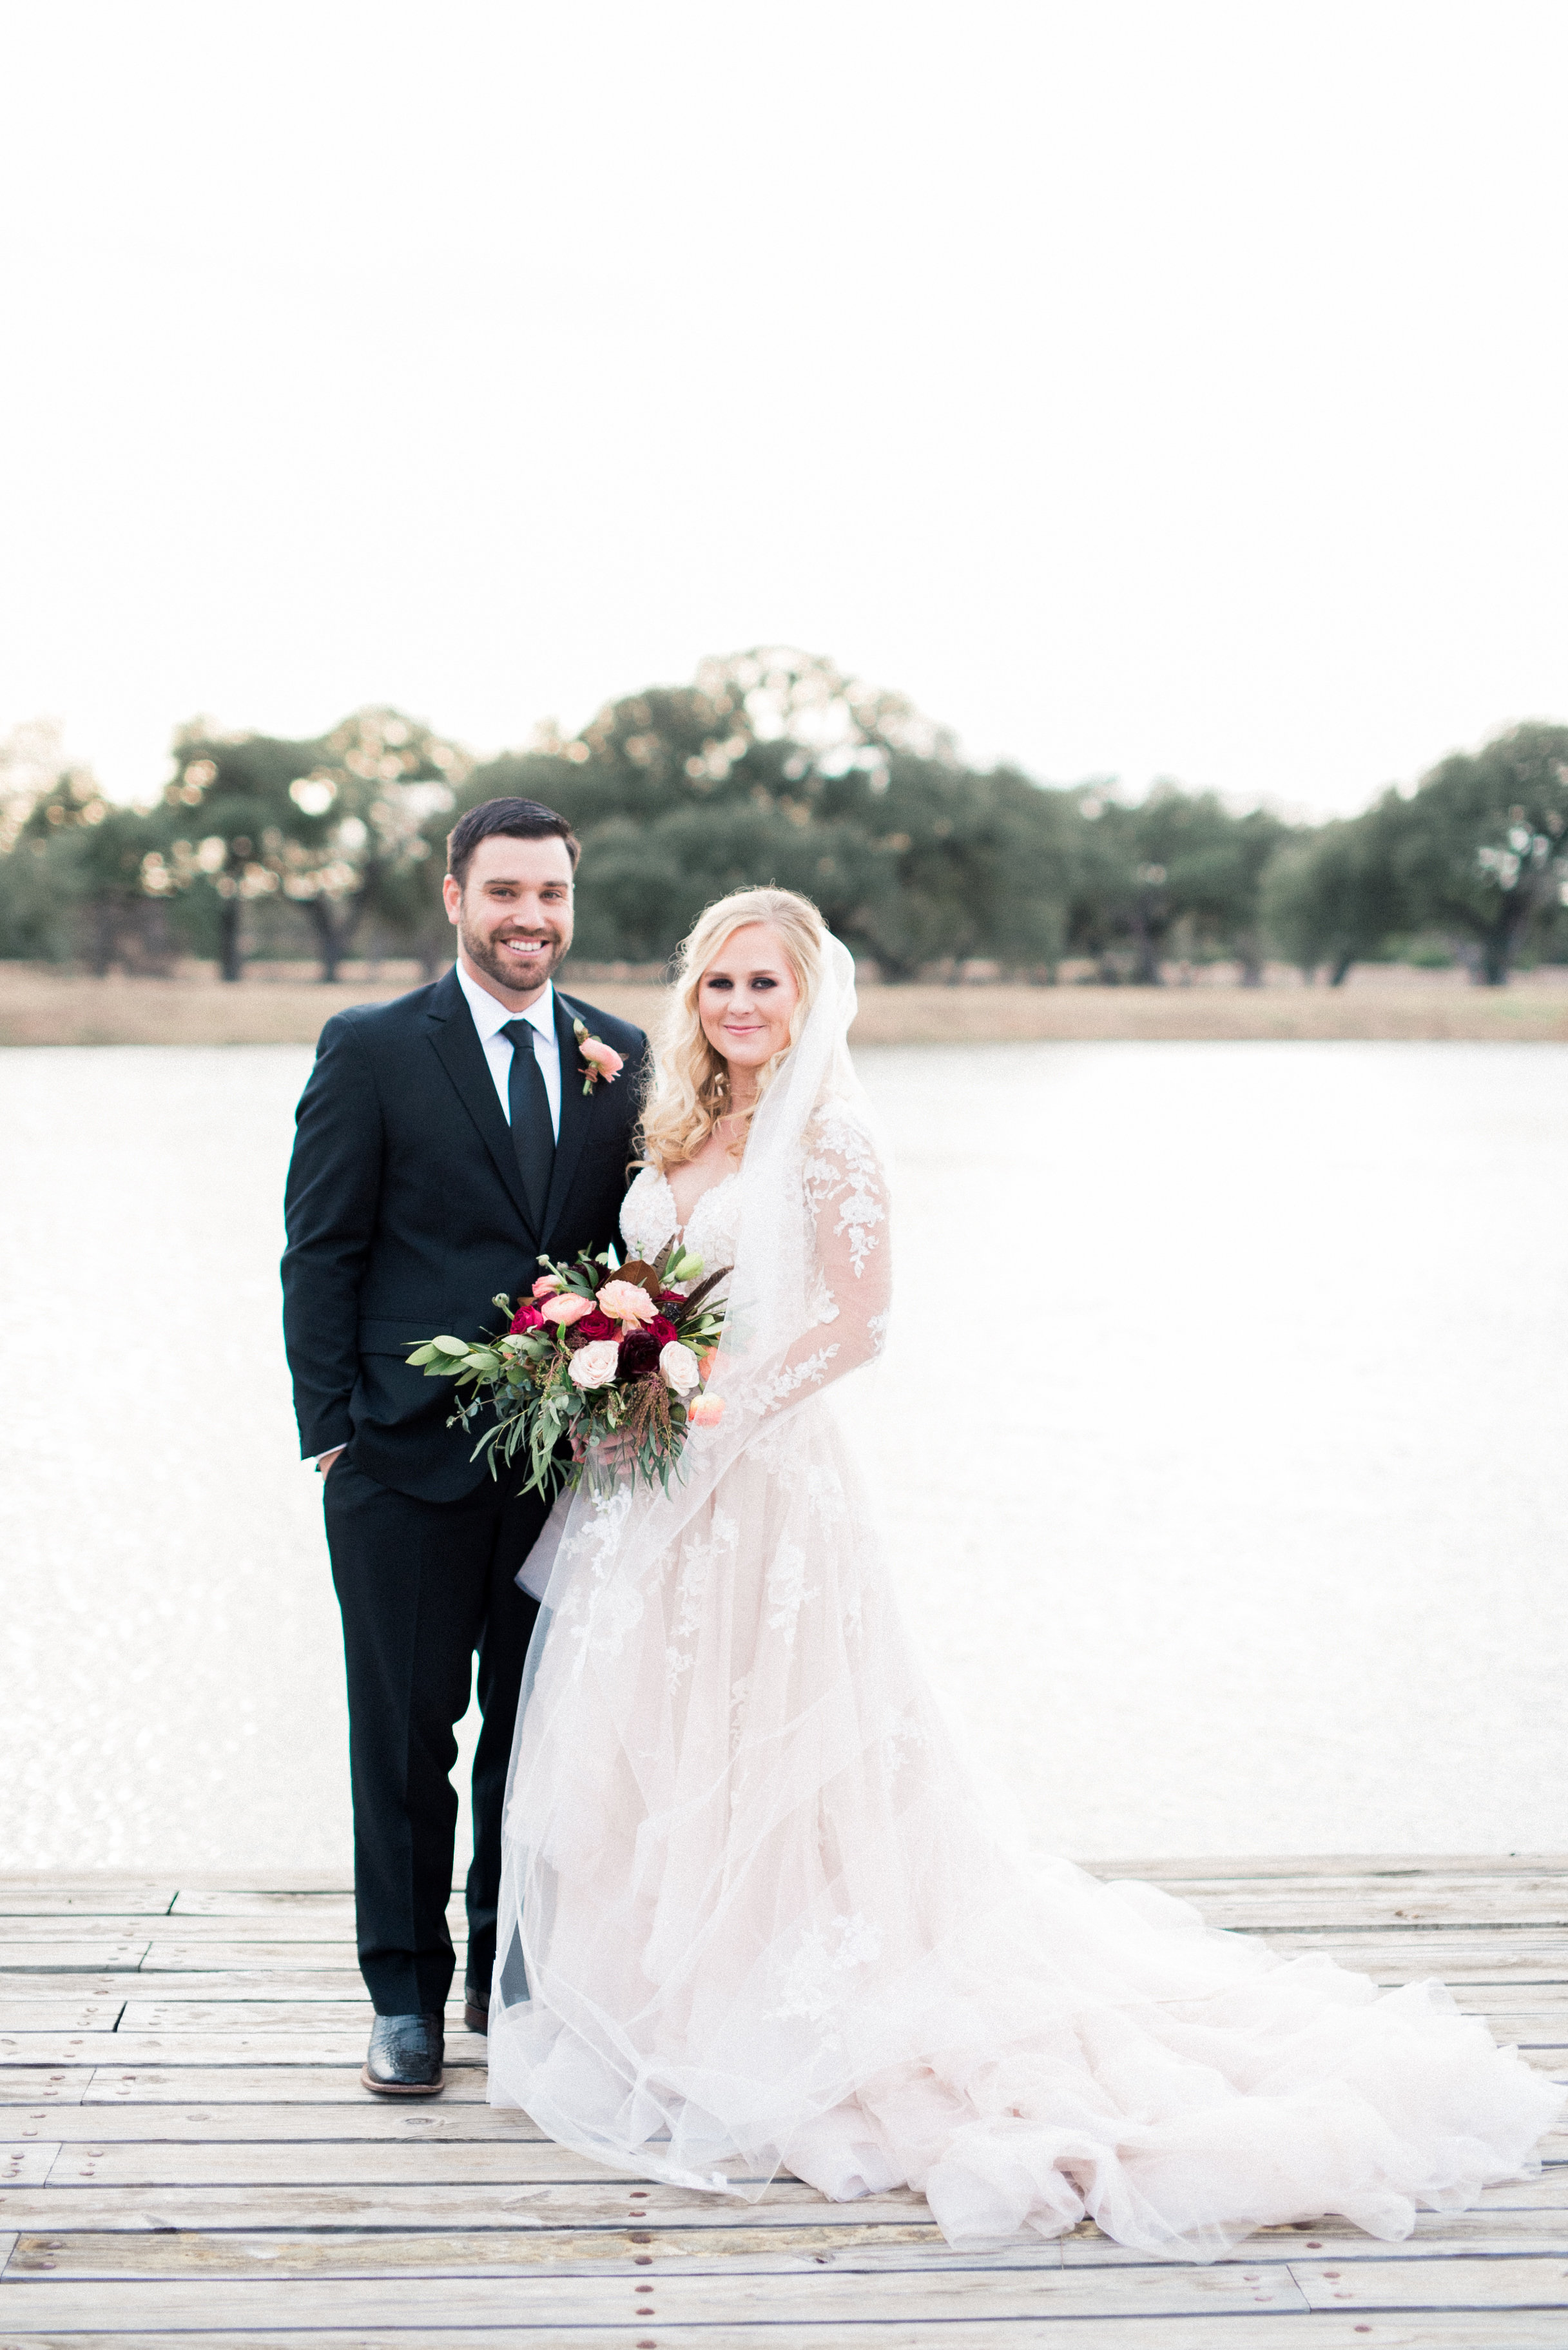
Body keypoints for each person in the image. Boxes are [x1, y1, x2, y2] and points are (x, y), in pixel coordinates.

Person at [485, 884, 1561, 2257]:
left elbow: (860, 1326)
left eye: (765, 985)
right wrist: (621, 1374)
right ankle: (661, 2005)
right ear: (691, 1000)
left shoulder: (832, 1140)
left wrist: (714, 1401)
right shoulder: (681, 1129)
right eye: (718, 985)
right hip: (653, 1493)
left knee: (783, 1747)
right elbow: (645, 1289)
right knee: (662, 1741)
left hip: (765, 1487)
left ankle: (796, 2012)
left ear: (809, 1001)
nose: (741, 1007)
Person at [281, 797, 646, 2095]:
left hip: (564, 1468)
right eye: (504, 892)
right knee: (401, 1736)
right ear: (453, 897)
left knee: (534, 1736)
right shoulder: (373, 1047)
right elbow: (319, 1249)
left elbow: (632, 1253)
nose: (529, 917)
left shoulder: (622, 1052)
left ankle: (509, 1976)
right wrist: (331, 1435)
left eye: (549, 892)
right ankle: (402, 1996)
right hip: (395, 1459)